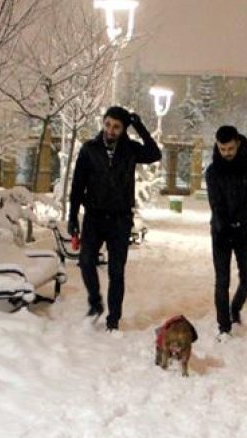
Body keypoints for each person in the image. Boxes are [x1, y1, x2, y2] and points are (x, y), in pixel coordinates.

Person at [67, 105, 162, 331]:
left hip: (120, 219)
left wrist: (139, 126)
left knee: (116, 271)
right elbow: (78, 184)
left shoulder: (130, 149)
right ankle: (95, 302)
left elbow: (154, 154)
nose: (110, 130)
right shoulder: (90, 149)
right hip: (94, 217)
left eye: (116, 127)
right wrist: (73, 217)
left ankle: (114, 319)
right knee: (86, 261)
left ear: (123, 129)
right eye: (108, 124)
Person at [204, 124, 247, 338]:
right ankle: (224, 326)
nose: (226, 153)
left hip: (246, 231)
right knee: (222, 280)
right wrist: (225, 223)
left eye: (230, 148)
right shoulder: (213, 171)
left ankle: (235, 308)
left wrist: (242, 220)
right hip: (221, 232)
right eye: (222, 149)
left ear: (238, 143)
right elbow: (215, 202)